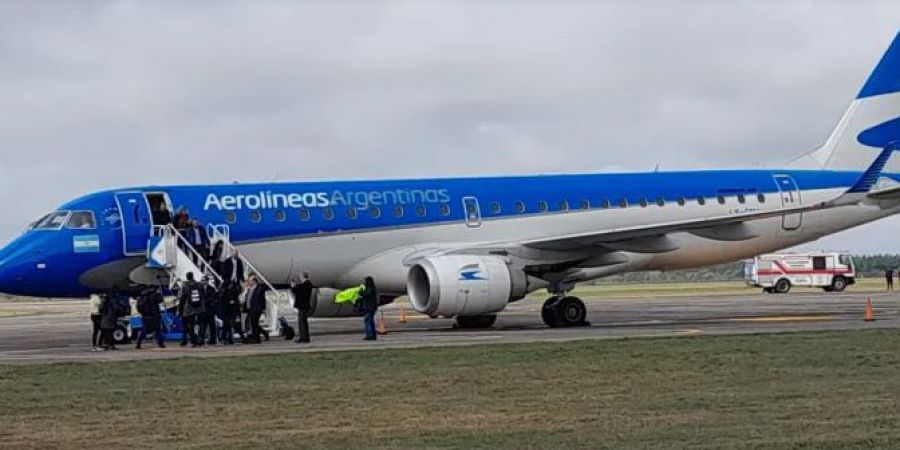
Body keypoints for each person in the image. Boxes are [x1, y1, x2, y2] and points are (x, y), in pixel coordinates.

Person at [178, 272, 206, 347]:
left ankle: (193, 341)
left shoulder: (185, 286)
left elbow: (182, 299)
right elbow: (204, 295)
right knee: (201, 325)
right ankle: (201, 339)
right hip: (200, 308)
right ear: (193, 276)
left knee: (191, 325)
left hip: (189, 309)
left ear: (187, 277)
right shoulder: (200, 284)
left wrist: (180, 310)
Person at [290, 273, 314, 344]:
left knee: (302, 323)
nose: (300, 278)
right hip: (305, 306)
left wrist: (293, 286)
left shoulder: (305, 285)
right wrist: (295, 286)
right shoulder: (308, 284)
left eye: (300, 277)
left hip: (302, 306)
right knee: (304, 323)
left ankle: (303, 338)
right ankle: (305, 338)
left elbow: (296, 291)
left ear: (303, 277)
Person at [246, 276, 268, 344]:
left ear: (254, 281)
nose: (249, 282)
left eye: (250, 281)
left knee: (254, 323)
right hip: (250, 308)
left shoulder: (259, 288)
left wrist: (262, 309)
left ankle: (257, 338)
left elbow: (262, 300)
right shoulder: (250, 289)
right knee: (253, 324)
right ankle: (258, 335)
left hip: (256, 309)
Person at [358, 276, 379, 341]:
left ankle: (369, 335)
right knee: (371, 322)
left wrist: (361, 292)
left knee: (368, 322)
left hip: (369, 308)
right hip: (371, 308)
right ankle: (372, 335)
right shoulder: (372, 288)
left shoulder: (369, 288)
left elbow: (367, 295)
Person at [201, 277, 219, 345]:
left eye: (204, 280)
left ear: (207, 281)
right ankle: (201, 339)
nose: (202, 282)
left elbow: (212, 298)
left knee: (212, 326)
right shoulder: (200, 289)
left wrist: (204, 302)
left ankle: (212, 340)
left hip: (210, 310)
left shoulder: (211, 289)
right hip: (203, 310)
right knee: (203, 326)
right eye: (202, 280)